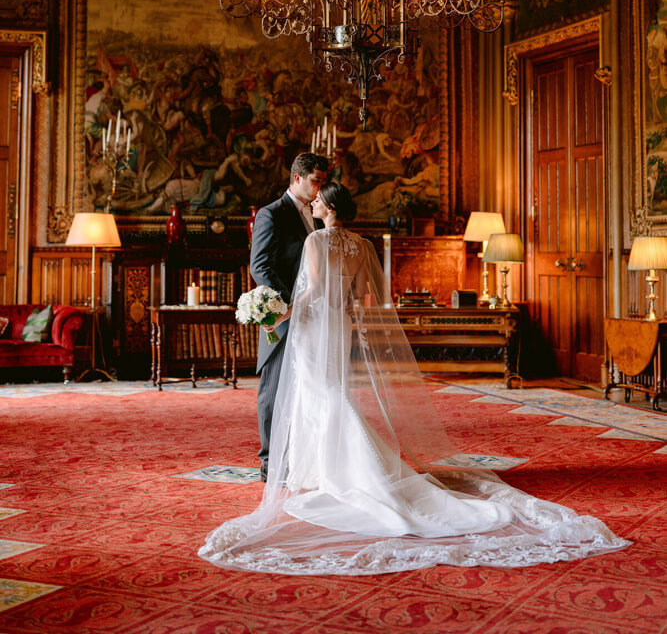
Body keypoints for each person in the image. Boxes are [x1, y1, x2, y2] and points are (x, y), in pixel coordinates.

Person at [200, 182, 628, 575]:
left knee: (320, 394)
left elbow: (310, 291)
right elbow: (364, 295)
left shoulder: (316, 240)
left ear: (328, 207)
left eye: (316, 201)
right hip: (340, 324)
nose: (312, 205)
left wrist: (279, 311)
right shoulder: (362, 245)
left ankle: (337, 470)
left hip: (312, 324)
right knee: (331, 390)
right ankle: (324, 467)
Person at [248, 152, 329, 481]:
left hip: (313, 316)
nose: (320, 188)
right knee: (274, 388)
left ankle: (301, 455)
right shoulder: (272, 214)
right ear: (297, 178)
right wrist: (287, 307)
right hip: (283, 317)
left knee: (304, 387)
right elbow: (260, 267)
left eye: (322, 182)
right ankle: (270, 463)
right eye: (316, 181)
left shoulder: (316, 214)